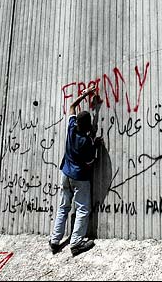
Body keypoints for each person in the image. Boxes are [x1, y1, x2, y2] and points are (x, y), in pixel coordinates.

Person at [49, 84, 102, 257]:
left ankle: (55, 241)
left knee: (63, 207)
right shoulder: (86, 142)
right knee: (82, 209)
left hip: (65, 173)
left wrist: (85, 94)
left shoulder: (71, 127)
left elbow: (72, 106)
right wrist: (96, 145)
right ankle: (76, 243)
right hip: (79, 178)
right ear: (88, 128)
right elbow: (91, 161)